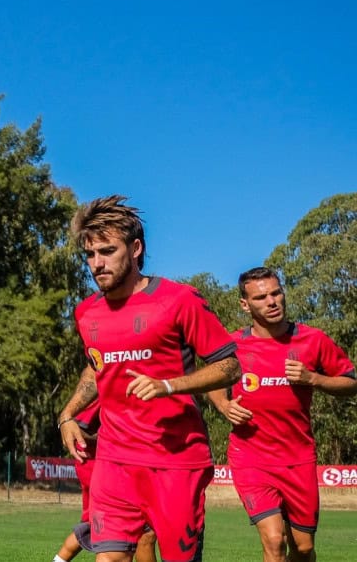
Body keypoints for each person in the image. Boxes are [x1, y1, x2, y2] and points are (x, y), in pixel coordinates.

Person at [56, 196, 240, 562]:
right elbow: (97, 365)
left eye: (107, 251)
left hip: (176, 460)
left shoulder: (178, 300)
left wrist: (168, 385)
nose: (97, 264)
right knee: (108, 557)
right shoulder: (86, 313)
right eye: (90, 255)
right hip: (115, 459)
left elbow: (229, 365)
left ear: (136, 248)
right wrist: (68, 414)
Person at [207, 267, 356, 562]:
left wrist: (315, 379)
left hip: (298, 458)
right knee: (275, 541)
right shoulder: (233, 345)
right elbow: (210, 380)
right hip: (251, 458)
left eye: (276, 293)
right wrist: (223, 406)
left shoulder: (313, 340)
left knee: (302, 548)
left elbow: (351, 382)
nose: (272, 301)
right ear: (245, 305)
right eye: (261, 297)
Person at [52, 401, 156, 562]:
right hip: (99, 465)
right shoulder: (103, 390)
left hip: (96, 465)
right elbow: (80, 429)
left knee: (92, 526)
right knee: (143, 531)